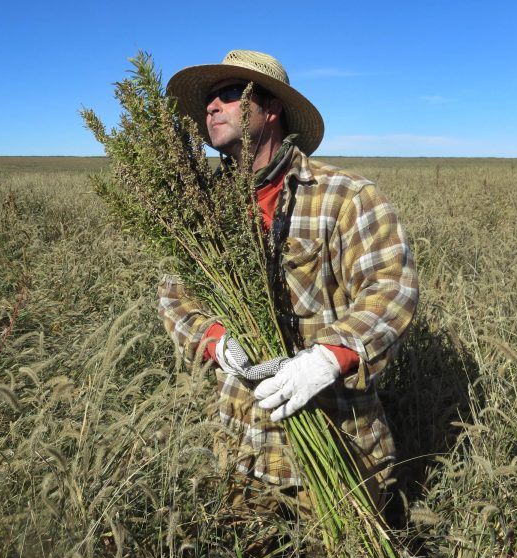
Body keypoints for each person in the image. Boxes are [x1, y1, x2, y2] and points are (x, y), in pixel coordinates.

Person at [158, 50, 419, 513]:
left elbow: (391, 288)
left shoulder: (346, 197)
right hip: (241, 447)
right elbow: (175, 297)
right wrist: (214, 340)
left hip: (340, 452)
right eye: (209, 99)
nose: (212, 106)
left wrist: (329, 357)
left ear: (271, 108)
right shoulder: (200, 211)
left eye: (231, 94)